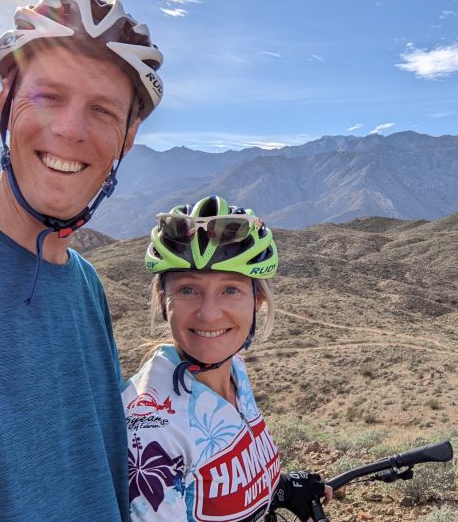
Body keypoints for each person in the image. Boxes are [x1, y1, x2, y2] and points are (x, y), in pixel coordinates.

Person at [0, 0, 163, 521]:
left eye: (101, 110)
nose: (70, 130)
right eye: (48, 96)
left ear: (128, 137)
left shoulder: (85, 285)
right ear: (6, 97)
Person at [123, 195, 331, 521]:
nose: (208, 314)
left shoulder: (234, 369)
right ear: (164, 300)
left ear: (257, 301)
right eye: (188, 289)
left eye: (230, 290)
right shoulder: (151, 430)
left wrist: (280, 488)